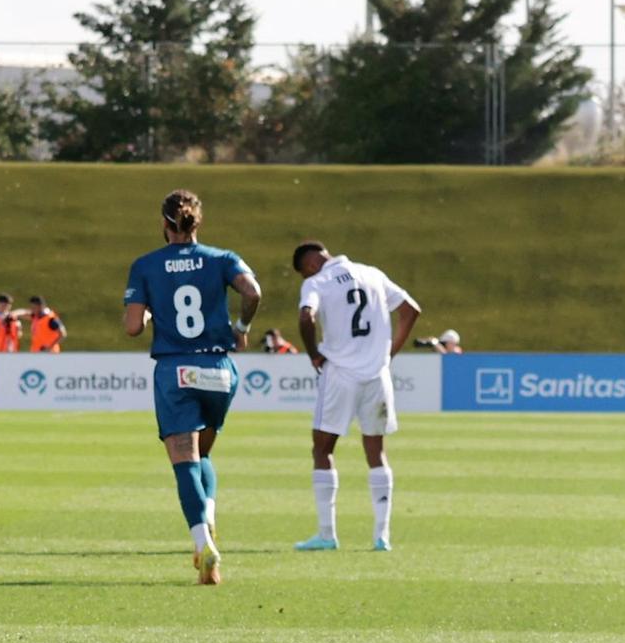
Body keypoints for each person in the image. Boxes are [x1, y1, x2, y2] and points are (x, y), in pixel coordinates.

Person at [122, 189, 262, 584]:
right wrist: (242, 329)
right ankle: (211, 520)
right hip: (219, 368)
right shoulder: (222, 258)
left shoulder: (146, 265)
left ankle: (203, 545)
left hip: (176, 370)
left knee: (184, 459)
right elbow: (253, 292)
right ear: (197, 222)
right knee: (204, 455)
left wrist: (148, 312)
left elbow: (132, 327)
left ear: (164, 224)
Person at [290, 242, 422, 552]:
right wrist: (389, 355)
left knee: (322, 449)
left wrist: (313, 355)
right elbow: (411, 311)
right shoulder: (372, 273)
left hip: (340, 374)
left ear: (307, 266)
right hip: (377, 375)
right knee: (376, 452)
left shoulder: (316, 282)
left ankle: (326, 534)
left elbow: (305, 317)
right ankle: (382, 536)